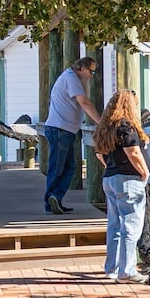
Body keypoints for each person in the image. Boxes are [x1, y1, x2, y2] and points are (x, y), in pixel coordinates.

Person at [94, 90, 150, 283]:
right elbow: (133, 152)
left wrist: (111, 166)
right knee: (131, 225)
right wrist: (144, 172)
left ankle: (112, 268)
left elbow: (99, 154)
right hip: (128, 180)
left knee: (115, 225)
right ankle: (127, 271)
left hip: (110, 178)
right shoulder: (126, 126)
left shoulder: (106, 127)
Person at [42, 57, 104, 214]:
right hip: (60, 130)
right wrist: (102, 123)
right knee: (57, 167)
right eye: (91, 71)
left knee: (69, 167)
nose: (92, 75)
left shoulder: (70, 77)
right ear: (82, 68)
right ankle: (51, 201)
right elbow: (84, 103)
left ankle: (56, 198)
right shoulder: (71, 78)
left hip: (65, 130)